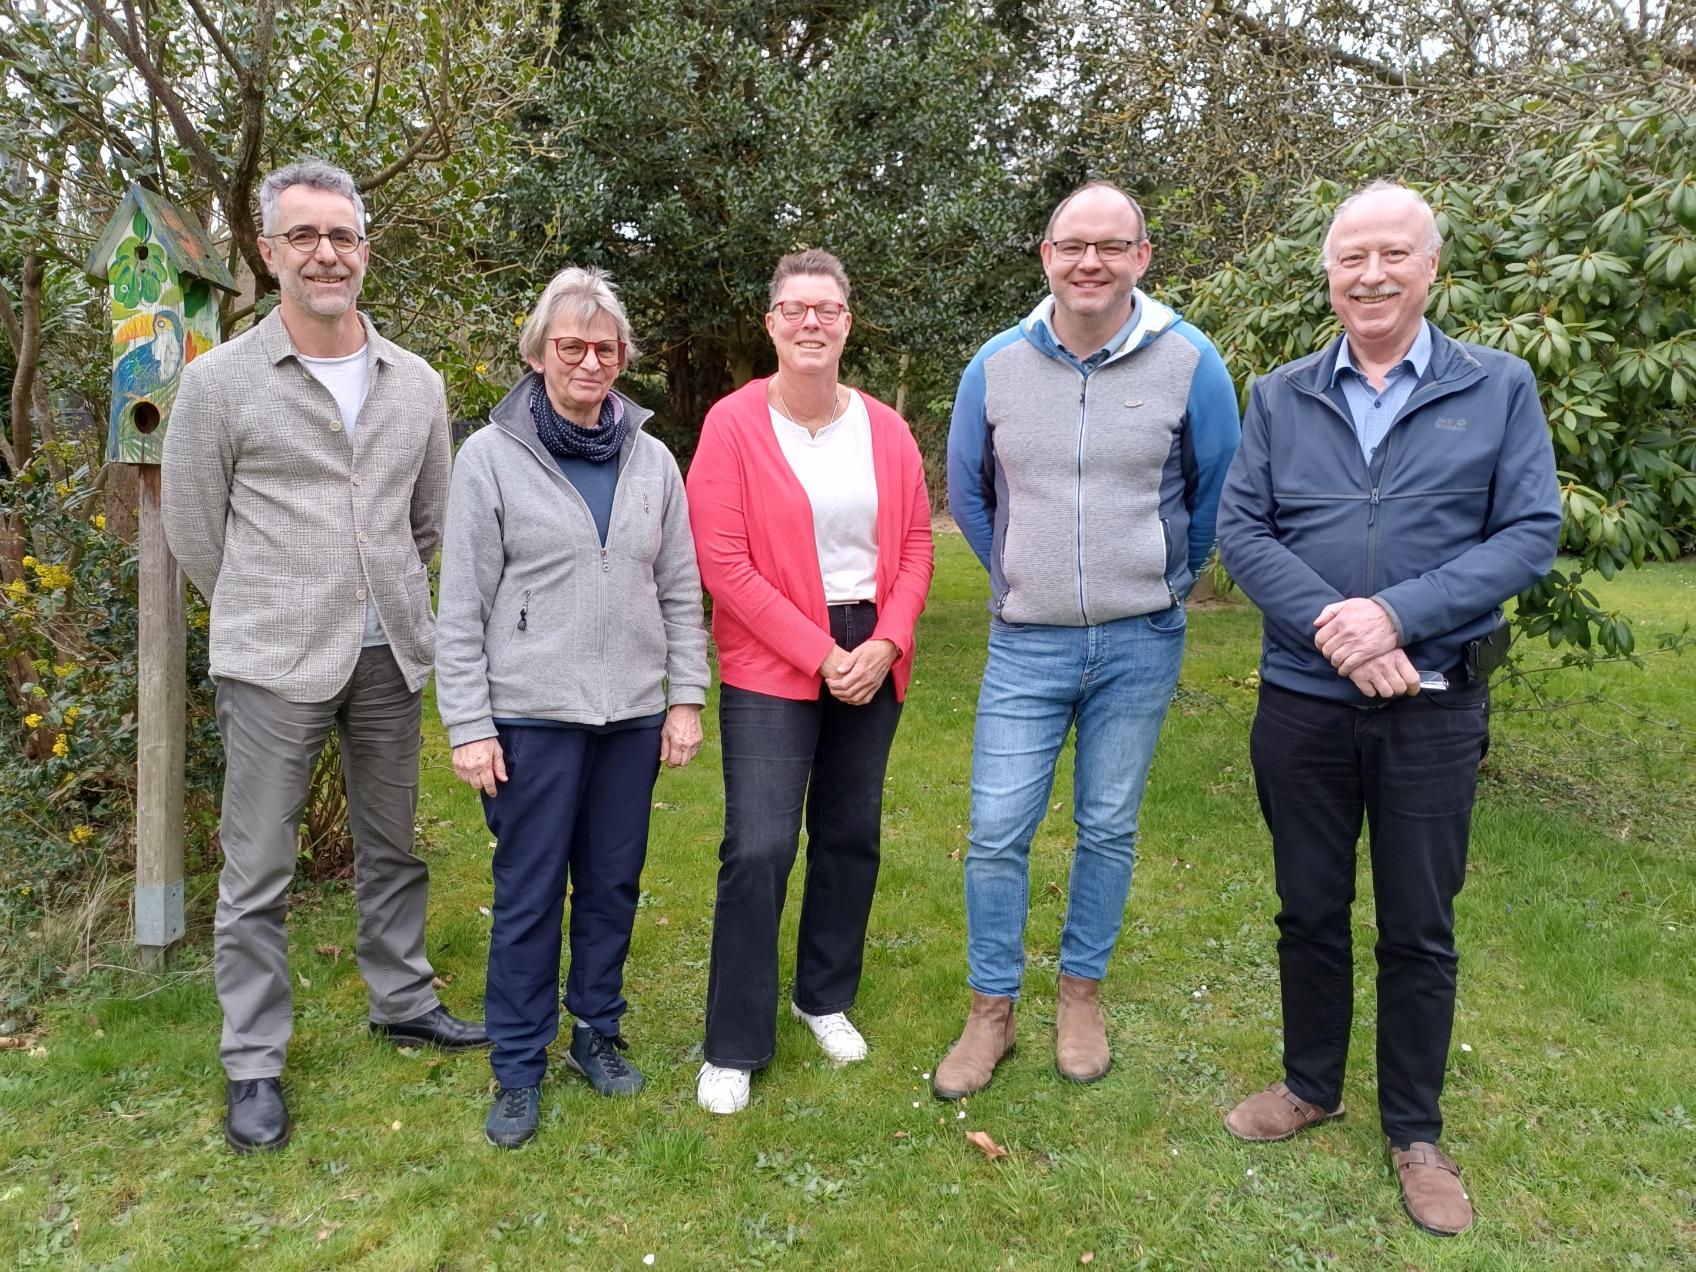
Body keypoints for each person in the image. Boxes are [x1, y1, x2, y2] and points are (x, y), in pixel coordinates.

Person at [1215, 181, 1561, 1236]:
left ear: (1429, 270)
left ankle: (1414, 1129)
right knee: (1307, 909)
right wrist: (1339, 627)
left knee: (1419, 925)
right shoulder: (1278, 394)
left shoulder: (1496, 387)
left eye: (1390, 255)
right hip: (1302, 706)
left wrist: (1396, 617)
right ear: (1327, 275)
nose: (1368, 274)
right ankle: (1310, 1084)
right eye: (1349, 256)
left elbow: (1527, 532)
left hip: (1434, 706)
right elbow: (1242, 530)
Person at [163, 159, 485, 1156]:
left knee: (394, 846)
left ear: (364, 250)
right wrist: (265, 608)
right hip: (271, 662)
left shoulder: (415, 383)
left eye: (341, 235)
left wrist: (372, 592)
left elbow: (428, 521)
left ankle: (401, 999)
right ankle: (253, 1060)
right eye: (302, 236)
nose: (325, 253)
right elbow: (192, 529)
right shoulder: (218, 384)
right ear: (268, 252)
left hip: (389, 650)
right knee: (256, 869)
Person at [938, 181, 1241, 1099]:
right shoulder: (994, 367)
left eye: (1112, 246)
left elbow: (1212, 497)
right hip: (1026, 645)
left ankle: (1080, 996)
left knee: (1107, 826)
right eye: (1073, 245)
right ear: (1046, 256)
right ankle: (991, 1012)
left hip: (1140, 642)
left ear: (1142, 258)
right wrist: (1019, 581)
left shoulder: (1192, 364)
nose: (1091, 262)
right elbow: (969, 494)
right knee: (996, 832)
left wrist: (1160, 582)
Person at [434, 266, 708, 1148]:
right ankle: (518, 1066)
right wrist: (470, 726)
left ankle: (598, 1031)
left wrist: (685, 700)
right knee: (527, 895)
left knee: (612, 886)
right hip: (529, 720)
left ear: (622, 357)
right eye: (571, 346)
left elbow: (679, 591)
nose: (590, 361)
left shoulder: (653, 459)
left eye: (605, 348)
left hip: (629, 716)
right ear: (539, 353)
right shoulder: (490, 458)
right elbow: (461, 606)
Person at [686, 249, 934, 1115]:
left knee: (849, 833)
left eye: (827, 309)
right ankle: (733, 1041)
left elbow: (913, 548)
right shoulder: (732, 425)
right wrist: (818, 652)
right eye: (795, 309)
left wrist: (888, 641)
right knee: (757, 845)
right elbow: (723, 561)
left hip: (872, 647)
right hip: (772, 653)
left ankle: (822, 996)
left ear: (847, 323)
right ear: (771, 323)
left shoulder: (887, 430)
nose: (811, 323)